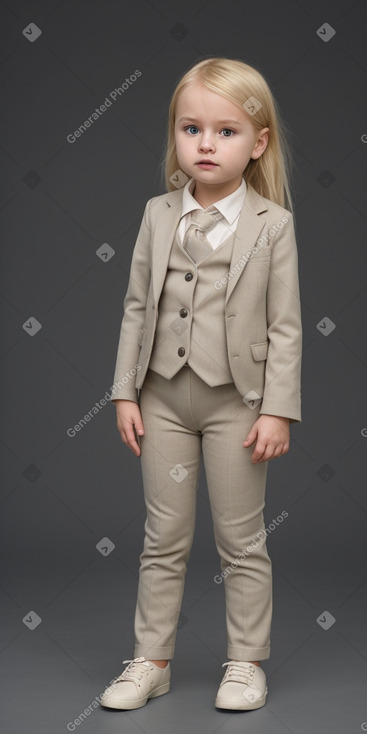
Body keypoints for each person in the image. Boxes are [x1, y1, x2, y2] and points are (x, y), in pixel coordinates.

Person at [100, 56, 302, 712]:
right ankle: (150, 659)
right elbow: (137, 306)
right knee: (163, 534)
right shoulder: (158, 214)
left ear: (258, 143)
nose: (206, 144)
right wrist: (125, 390)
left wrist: (277, 410)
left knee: (241, 539)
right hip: (161, 398)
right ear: (175, 137)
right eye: (191, 129)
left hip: (236, 404)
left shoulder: (271, 225)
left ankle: (245, 662)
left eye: (225, 131)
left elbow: (286, 328)